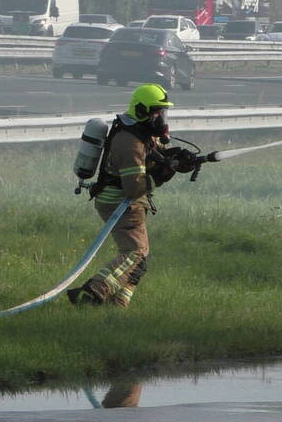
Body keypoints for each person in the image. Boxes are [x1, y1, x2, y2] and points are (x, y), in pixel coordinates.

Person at [67, 84, 195, 308]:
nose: (161, 118)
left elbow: (155, 156)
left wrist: (174, 157)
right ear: (142, 110)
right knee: (134, 255)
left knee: (140, 259)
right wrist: (165, 174)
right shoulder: (130, 142)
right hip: (119, 202)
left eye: (163, 112)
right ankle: (92, 293)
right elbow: (134, 188)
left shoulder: (141, 132)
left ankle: (117, 306)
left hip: (126, 202)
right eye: (157, 112)